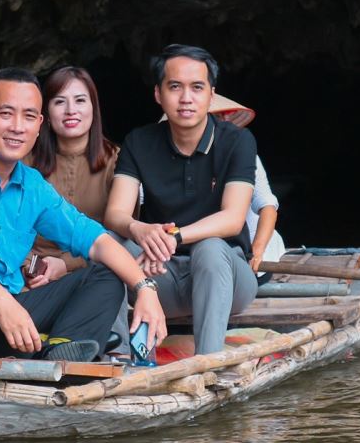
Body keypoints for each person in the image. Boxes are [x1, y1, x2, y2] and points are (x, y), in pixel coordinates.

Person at [0, 67, 165, 362]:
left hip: (8, 310)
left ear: (39, 125)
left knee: (107, 274)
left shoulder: (31, 184)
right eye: (6, 114)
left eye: (28, 116)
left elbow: (97, 240)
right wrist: (3, 303)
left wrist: (145, 289)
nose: (17, 127)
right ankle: (50, 348)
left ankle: (62, 350)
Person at [104, 44, 259, 356]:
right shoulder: (140, 142)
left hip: (227, 278)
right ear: (158, 94)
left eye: (197, 87)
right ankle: (117, 356)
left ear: (211, 95)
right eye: (175, 87)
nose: (186, 98)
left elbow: (233, 218)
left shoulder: (237, 141)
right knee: (108, 242)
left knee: (212, 247)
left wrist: (172, 237)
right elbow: (115, 213)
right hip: (161, 275)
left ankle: (207, 363)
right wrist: (141, 231)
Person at [23, 66, 122, 284]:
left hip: (95, 272)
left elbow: (121, 235)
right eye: (59, 101)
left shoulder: (117, 162)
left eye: (79, 100)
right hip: (32, 275)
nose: (70, 110)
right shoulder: (24, 162)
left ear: (93, 108)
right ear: (45, 113)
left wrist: (66, 264)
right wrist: (32, 267)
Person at [206, 94, 286, 272]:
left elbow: (267, 206)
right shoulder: (169, 158)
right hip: (200, 251)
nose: (225, 122)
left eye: (227, 116)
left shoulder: (243, 155)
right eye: (217, 116)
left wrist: (257, 250)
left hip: (247, 248)